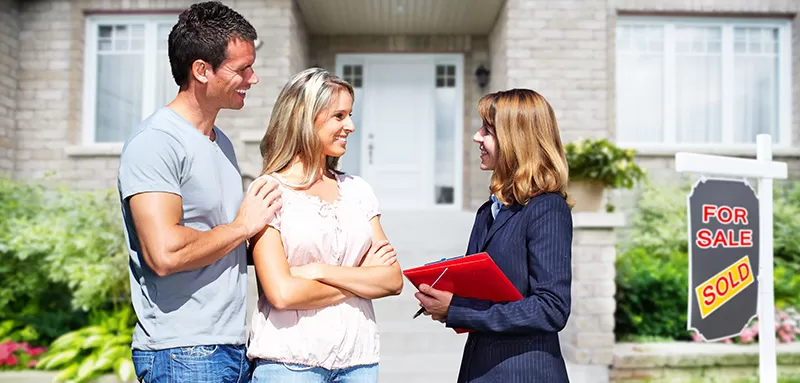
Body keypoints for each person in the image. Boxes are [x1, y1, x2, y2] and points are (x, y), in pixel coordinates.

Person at [117, 2, 281, 382]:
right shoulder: (156, 142)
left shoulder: (220, 142)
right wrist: (243, 226)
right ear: (201, 70)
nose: (253, 78)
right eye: (242, 69)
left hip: (230, 346)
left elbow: (222, 243)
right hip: (183, 352)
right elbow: (164, 252)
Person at [246, 68, 404, 382]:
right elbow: (282, 293)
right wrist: (360, 280)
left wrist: (318, 271)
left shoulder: (358, 190)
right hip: (289, 363)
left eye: (350, 115)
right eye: (339, 116)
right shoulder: (268, 192)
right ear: (306, 118)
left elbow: (391, 280)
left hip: (359, 361)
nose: (351, 126)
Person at [414, 88, 574, 382]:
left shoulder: (547, 209)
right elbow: (483, 289)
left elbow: (551, 308)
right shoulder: (488, 211)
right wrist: (443, 290)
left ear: (516, 141)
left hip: (523, 374)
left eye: (487, 131)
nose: (477, 137)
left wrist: (457, 309)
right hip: (480, 367)